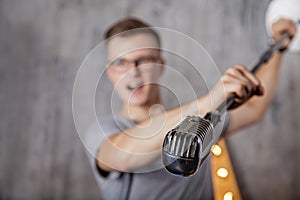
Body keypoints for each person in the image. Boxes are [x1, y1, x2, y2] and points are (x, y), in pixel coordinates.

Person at [84, 17, 296, 199]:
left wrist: (277, 45)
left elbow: (254, 109)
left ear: (160, 65)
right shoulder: (102, 130)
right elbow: (124, 155)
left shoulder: (199, 125)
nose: (133, 72)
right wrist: (210, 100)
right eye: (120, 62)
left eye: (144, 60)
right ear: (110, 71)